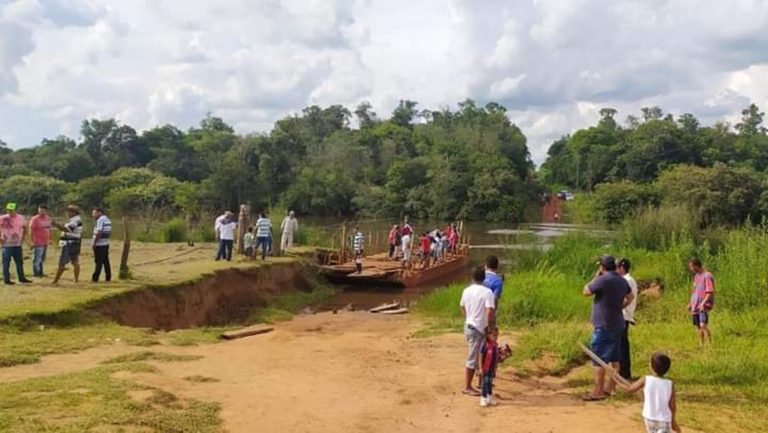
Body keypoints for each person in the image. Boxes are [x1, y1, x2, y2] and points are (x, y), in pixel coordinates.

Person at [582, 255, 634, 401]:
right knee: (615, 359)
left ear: (602, 267)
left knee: (598, 358)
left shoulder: (603, 279)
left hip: (604, 325)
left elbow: (585, 291)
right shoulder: (622, 280)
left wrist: (595, 276)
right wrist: (620, 307)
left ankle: (598, 391)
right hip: (618, 324)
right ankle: (610, 388)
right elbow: (630, 297)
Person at [612, 352, 680, 433]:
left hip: (648, 417)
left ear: (651, 367)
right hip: (663, 419)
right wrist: (672, 420)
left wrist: (615, 378)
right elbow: (672, 405)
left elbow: (629, 389)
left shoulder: (645, 379)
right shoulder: (669, 384)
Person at [460, 266, 496, 396]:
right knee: (474, 357)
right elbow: (490, 311)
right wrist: (489, 327)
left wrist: (469, 318)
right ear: (484, 278)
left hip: (469, 326)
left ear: (472, 277)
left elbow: (462, 307)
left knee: (479, 356)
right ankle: (468, 386)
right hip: (479, 328)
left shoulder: (466, 291)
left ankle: (480, 384)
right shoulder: (487, 292)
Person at [0, 203, 32, 285]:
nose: (9, 211)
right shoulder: (3, 218)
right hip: (7, 244)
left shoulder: (20, 218)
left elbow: (25, 228)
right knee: (6, 262)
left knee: (19, 262)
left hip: (17, 244)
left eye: (11, 210)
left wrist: (23, 238)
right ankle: (6, 280)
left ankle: (22, 278)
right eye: (8, 210)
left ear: (15, 210)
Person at [618, 257, 638, 380]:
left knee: (622, 344)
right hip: (625, 314)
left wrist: (619, 308)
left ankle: (624, 372)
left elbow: (627, 298)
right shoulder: (628, 280)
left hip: (624, 314)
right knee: (622, 343)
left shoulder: (627, 280)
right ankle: (624, 371)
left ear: (621, 268)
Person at [52, 205, 83, 285]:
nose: (67, 213)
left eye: (69, 212)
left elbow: (66, 229)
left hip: (69, 243)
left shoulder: (75, 220)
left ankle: (55, 280)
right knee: (75, 261)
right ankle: (76, 280)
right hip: (74, 242)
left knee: (62, 262)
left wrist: (55, 224)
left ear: (73, 212)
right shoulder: (75, 220)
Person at [688, 258, 715, 345]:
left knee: (703, 325)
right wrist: (690, 303)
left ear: (696, 266)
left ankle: (710, 344)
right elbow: (694, 291)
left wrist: (703, 303)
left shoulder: (707, 276)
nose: (691, 269)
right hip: (695, 305)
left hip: (703, 305)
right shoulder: (696, 276)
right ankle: (701, 344)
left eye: (691, 267)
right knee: (698, 326)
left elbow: (710, 292)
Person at [29, 205, 52, 278]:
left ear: (46, 211)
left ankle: (41, 272)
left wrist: (50, 239)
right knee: (37, 258)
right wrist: (32, 241)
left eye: (42, 211)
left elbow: (49, 229)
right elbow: (31, 230)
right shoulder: (35, 219)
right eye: (40, 211)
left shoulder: (48, 218)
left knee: (42, 258)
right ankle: (36, 273)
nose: (41, 212)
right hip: (38, 241)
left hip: (45, 241)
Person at [480, 325, 500, 407]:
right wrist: (481, 368)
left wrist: (496, 367)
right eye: (494, 335)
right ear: (488, 335)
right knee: (485, 382)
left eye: (497, 335)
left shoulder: (495, 345)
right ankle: (483, 397)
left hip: (492, 369)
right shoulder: (485, 345)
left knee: (490, 383)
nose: (496, 337)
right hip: (485, 368)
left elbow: (495, 357)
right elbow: (480, 357)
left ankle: (489, 397)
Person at [91, 207, 112, 282]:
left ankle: (95, 277)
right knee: (106, 261)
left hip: (100, 244)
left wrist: (94, 243)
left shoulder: (100, 220)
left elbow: (99, 232)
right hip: (105, 243)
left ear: (99, 212)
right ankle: (108, 276)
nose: (93, 215)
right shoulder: (107, 219)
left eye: (94, 213)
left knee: (98, 261)